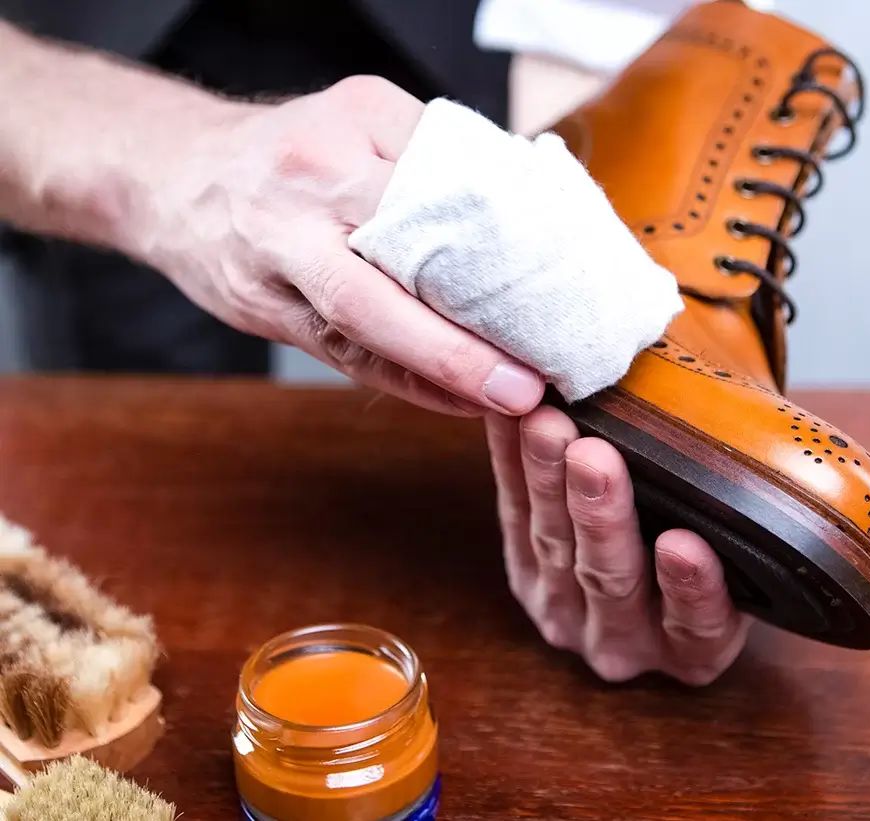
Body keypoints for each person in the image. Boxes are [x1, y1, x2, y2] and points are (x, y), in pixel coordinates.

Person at [0, 0, 750, 686]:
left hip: (470, 34)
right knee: (143, 474)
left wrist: (609, 200)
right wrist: (155, 167)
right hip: (77, 54)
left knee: (530, 406)